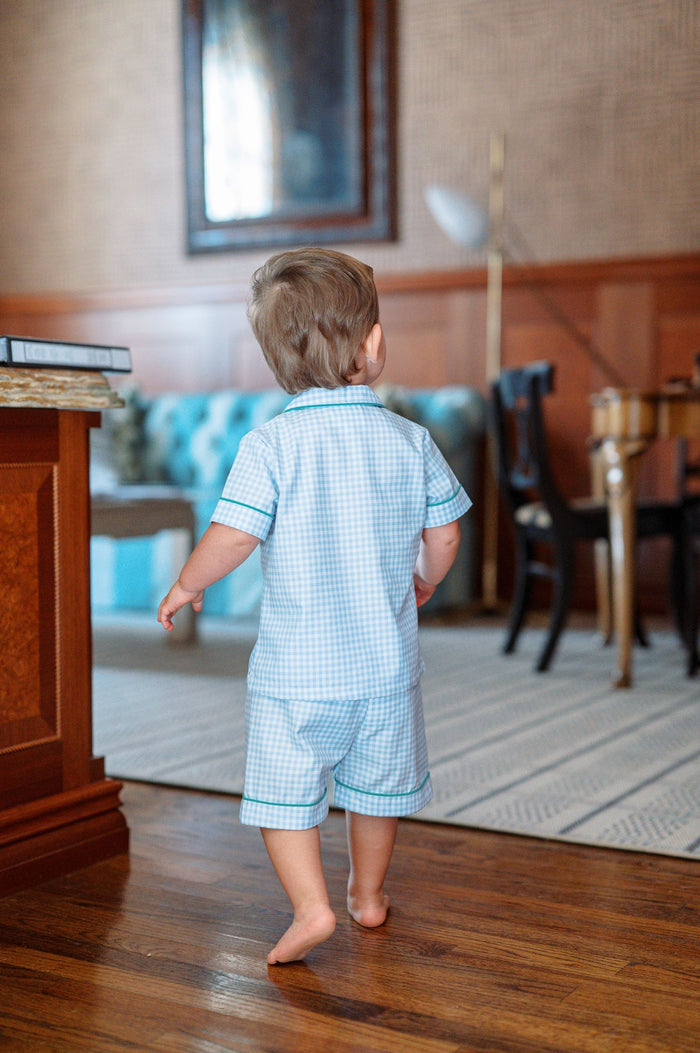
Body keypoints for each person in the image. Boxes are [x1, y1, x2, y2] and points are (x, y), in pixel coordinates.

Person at [158, 247, 472, 964]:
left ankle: (311, 906)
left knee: (283, 795)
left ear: (277, 360)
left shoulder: (269, 445)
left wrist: (187, 582)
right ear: (374, 342)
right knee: (375, 793)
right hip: (386, 669)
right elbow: (446, 533)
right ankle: (366, 895)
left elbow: (232, 537)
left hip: (295, 676)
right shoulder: (410, 439)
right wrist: (424, 576)